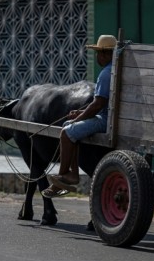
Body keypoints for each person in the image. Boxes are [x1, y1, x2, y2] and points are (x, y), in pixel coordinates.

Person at [41, 34, 116, 198]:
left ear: (104, 54)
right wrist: (80, 114)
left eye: (98, 53)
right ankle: (72, 174)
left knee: (66, 132)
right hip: (109, 117)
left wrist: (78, 118)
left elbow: (98, 105)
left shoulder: (106, 73)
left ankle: (63, 176)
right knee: (68, 125)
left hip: (105, 121)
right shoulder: (116, 69)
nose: (97, 57)